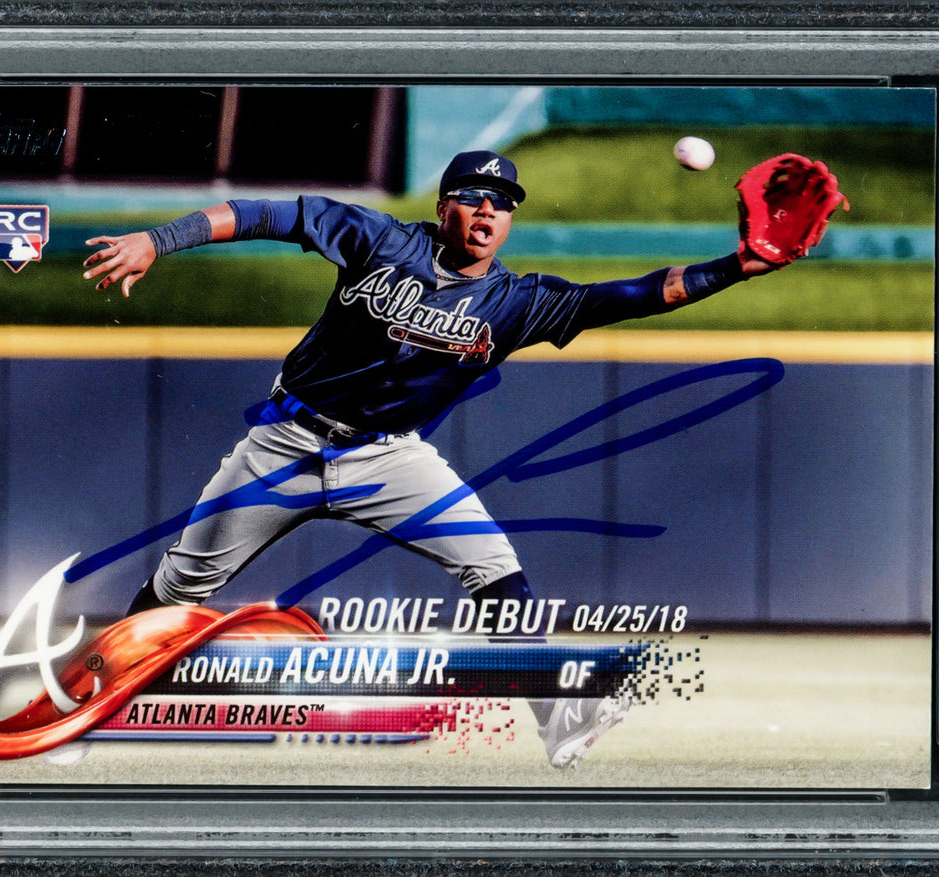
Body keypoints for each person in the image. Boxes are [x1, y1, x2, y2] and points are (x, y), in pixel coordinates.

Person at [82, 149, 791, 768]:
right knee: (178, 587)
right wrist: (159, 239)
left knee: (494, 567)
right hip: (287, 441)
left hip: (390, 459)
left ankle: (559, 714)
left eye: (503, 203)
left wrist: (737, 267)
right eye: (474, 196)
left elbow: (635, 295)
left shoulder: (517, 302)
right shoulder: (380, 239)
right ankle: (83, 703)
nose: (488, 211)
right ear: (445, 205)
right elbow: (267, 213)